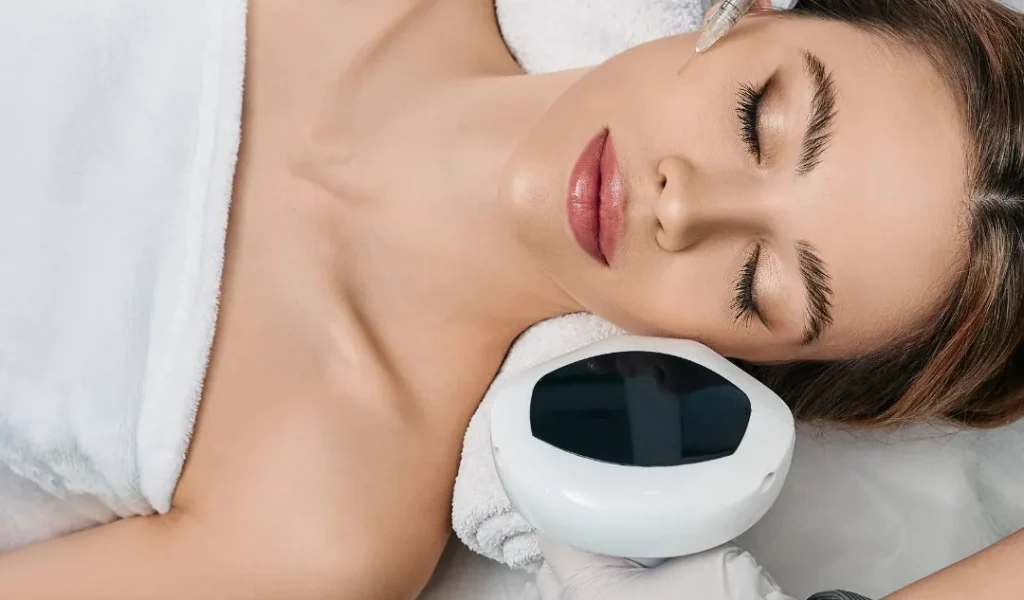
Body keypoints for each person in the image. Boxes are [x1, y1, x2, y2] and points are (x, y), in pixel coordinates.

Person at [0, 0, 1020, 598]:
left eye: (759, 284)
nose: (681, 206)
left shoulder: (326, 524)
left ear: (748, 370)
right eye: (756, 117)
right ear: (751, 13)